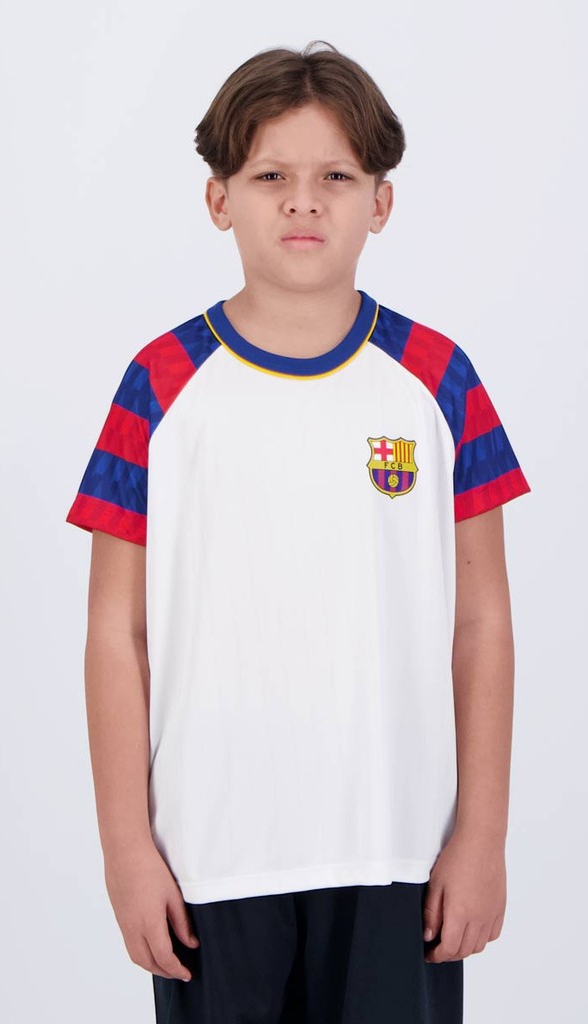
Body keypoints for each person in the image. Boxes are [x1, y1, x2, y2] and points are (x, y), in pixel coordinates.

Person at [65, 40, 531, 1024]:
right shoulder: (159, 386)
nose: (303, 202)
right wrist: (126, 848)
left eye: (336, 178)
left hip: (397, 855)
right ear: (219, 198)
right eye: (271, 176)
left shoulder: (439, 380)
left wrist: (481, 836)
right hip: (209, 862)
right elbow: (116, 632)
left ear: (381, 202)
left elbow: (482, 623)